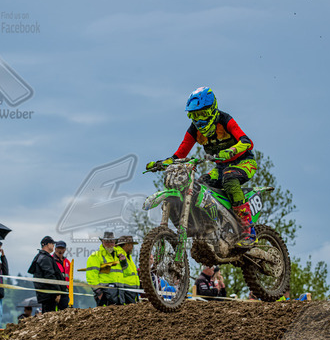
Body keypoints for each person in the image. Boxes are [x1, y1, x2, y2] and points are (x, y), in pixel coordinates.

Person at [146, 87, 258, 247]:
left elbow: (247, 142)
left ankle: (248, 231)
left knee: (230, 179)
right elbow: (180, 154)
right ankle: (207, 227)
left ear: (212, 110)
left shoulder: (225, 120)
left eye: (202, 114)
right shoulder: (194, 130)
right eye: (194, 115)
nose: (198, 120)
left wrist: (232, 150)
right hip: (221, 168)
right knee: (198, 187)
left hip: (243, 162)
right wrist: (162, 163)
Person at [86, 231, 128, 306]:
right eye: (107, 242)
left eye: (112, 242)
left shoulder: (118, 255)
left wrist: (124, 262)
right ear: (102, 242)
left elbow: (124, 270)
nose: (110, 244)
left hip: (119, 293)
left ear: (115, 242)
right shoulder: (95, 256)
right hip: (105, 293)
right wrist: (98, 292)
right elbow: (91, 276)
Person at [29, 236, 66, 313]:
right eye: (52, 244)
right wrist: (57, 292)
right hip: (49, 294)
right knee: (49, 315)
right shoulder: (45, 258)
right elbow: (50, 276)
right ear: (48, 244)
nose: (53, 246)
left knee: (48, 315)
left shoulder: (41, 257)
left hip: (46, 294)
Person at [117, 235, 140, 304]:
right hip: (126, 289)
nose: (132, 247)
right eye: (131, 245)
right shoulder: (120, 255)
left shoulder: (128, 256)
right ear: (126, 245)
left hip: (131, 289)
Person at [52, 241, 70, 310]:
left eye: (62, 248)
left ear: (65, 249)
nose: (60, 250)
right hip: (55, 291)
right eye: (59, 248)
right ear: (55, 249)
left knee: (64, 312)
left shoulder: (67, 262)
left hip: (65, 291)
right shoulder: (51, 260)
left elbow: (69, 277)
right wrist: (57, 292)